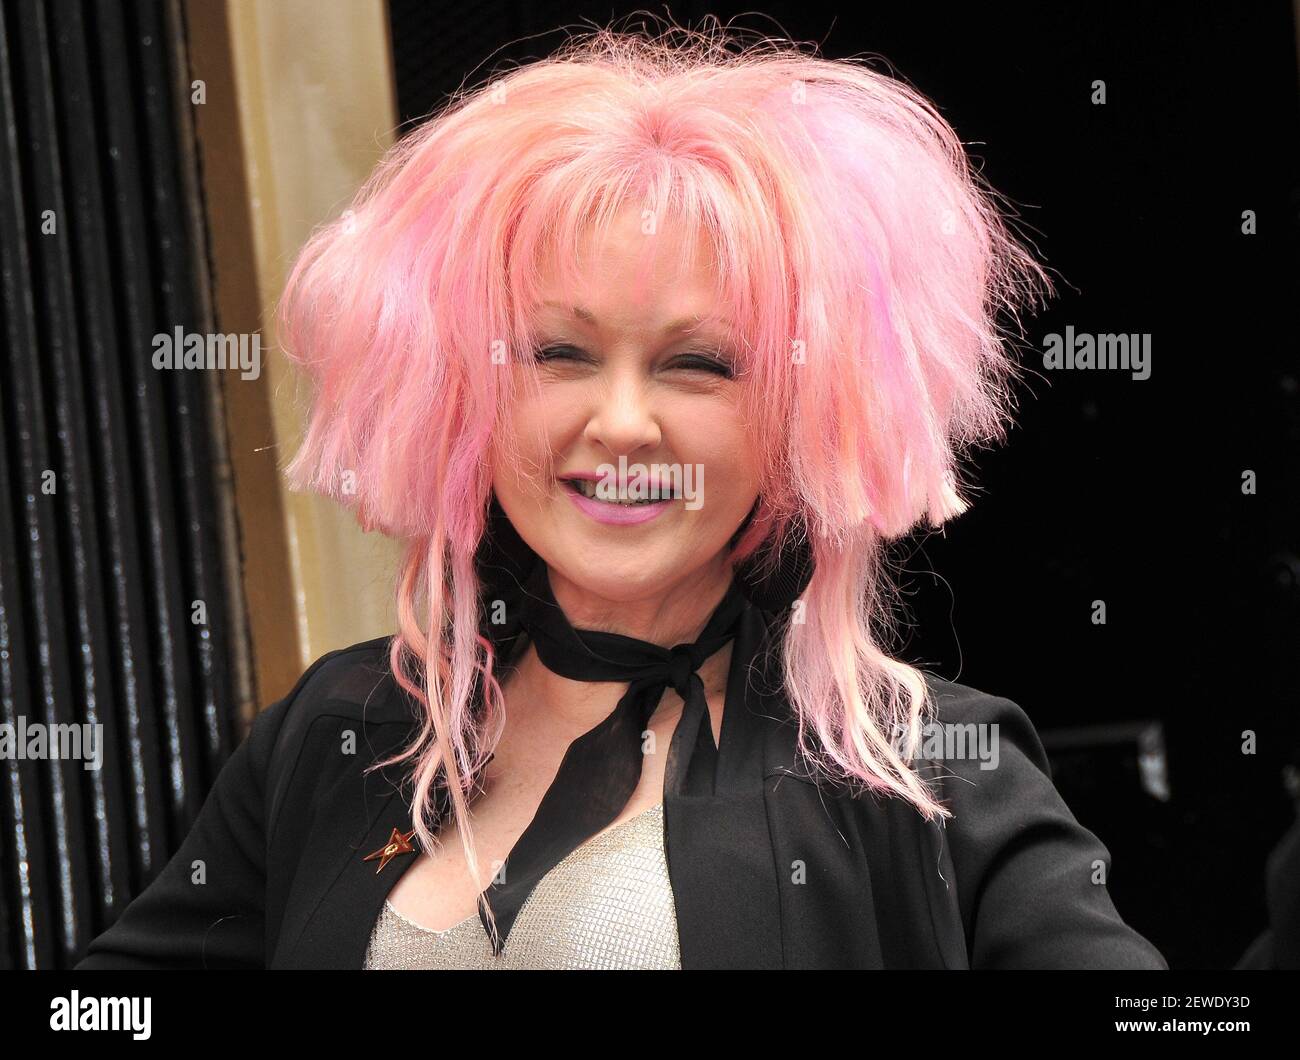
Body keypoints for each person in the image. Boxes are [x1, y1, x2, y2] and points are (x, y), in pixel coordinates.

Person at [77, 23, 1167, 970]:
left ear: (806, 411)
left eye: (701, 364)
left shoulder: (925, 769)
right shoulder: (342, 731)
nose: (623, 422)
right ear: (463, 387)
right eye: (558, 352)